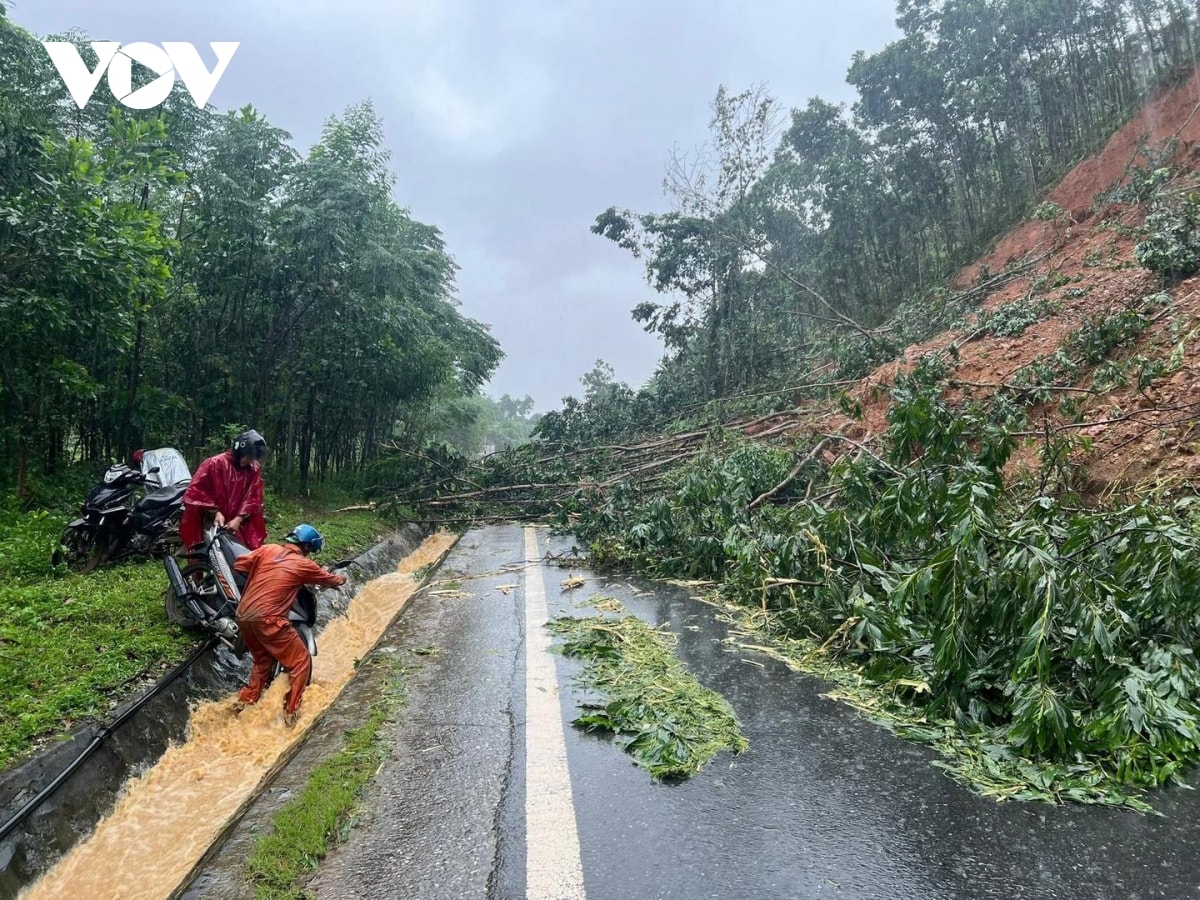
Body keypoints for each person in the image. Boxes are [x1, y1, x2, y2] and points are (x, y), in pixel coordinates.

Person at [231, 524, 347, 727]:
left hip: (243, 616)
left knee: (261, 662)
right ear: (307, 547)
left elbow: (239, 564)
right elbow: (331, 580)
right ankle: (291, 714)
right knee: (301, 661)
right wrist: (342, 578)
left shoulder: (268, 549)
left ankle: (244, 705)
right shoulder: (305, 565)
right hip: (269, 619)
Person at [180, 429, 267, 550]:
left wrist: (238, 519)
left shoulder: (252, 470)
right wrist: (215, 511)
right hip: (211, 521)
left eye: (252, 459)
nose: (250, 461)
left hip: (238, 524)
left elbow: (253, 499)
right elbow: (196, 491)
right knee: (209, 554)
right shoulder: (214, 464)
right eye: (248, 457)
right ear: (240, 451)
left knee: (240, 557)